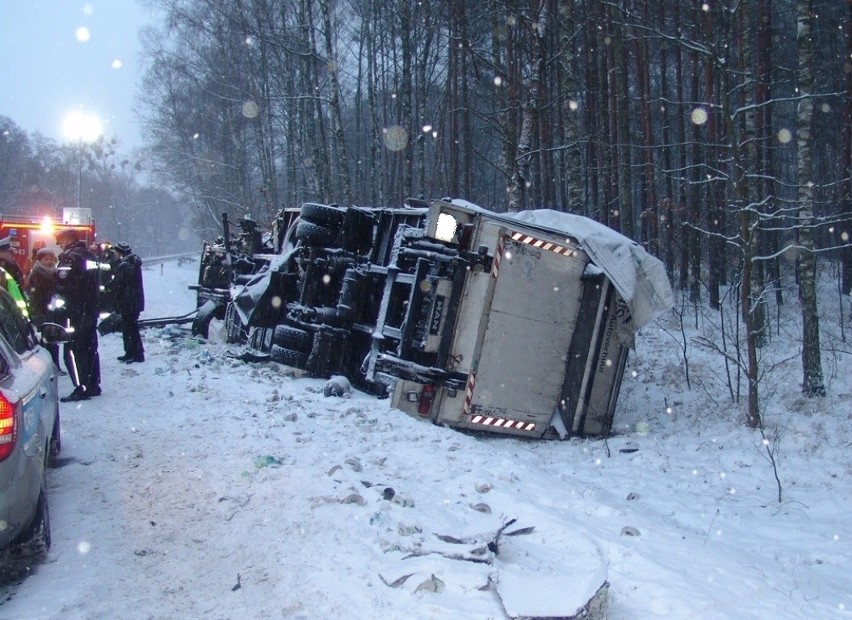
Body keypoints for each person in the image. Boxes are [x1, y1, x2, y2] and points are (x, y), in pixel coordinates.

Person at [54, 228, 101, 401]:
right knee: (90, 348)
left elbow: (63, 284)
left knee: (74, 350)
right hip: (90, 308)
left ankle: (81, 387)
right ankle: (93, 384)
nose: (60, 245)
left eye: (61, 241)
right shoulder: (90, 256)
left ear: (68, 239)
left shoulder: (69, 258)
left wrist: (59, 303)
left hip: (75, 310)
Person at [27, 247, 62, 369]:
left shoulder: (54, 273)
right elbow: (35, 296)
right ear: (40, 260)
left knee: (54, 339)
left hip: (53, 310)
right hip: (42, 311)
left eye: (51, 259)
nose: (49, 262)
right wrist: (37, 313)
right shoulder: (37, 274)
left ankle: (55, 364)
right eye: (46, 259)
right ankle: (48, 365)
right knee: (46, 340)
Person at [111, 242, 145, 363]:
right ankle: (133, 352)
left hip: (128, 302)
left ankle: (134, 353)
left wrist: (116, 301)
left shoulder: (124, 266)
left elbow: (119, 285)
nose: (114, 254)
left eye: (116, 252)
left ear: (120, 252)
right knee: (131, 328)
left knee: (129, 329)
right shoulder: (132, 263)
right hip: (133, 301)